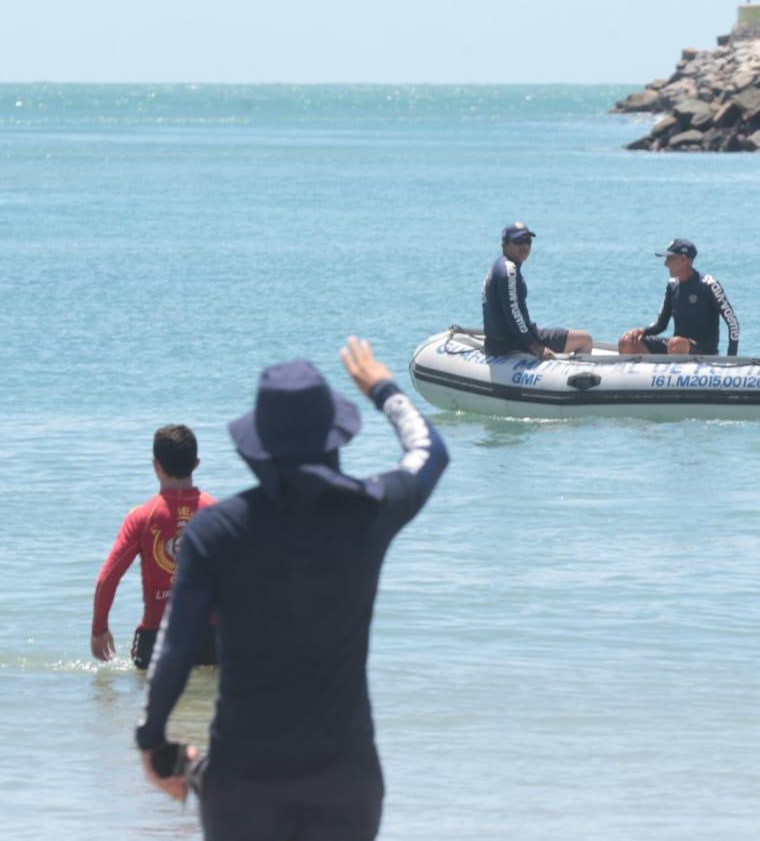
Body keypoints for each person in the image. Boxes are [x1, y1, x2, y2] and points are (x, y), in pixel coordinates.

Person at [135, 339, 450, 841]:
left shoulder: (214, 533)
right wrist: (383, 388)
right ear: (334, 436)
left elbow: (173, 652)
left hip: (244, 784)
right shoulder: (368, 512)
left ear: (258, 447)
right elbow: (430, 452)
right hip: (346, 781)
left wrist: (152, 745)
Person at [91, 425, 219, 670]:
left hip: (157, 639)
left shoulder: (141, 517)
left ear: (155, 465)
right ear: (196, 463)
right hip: (211, 638)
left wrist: (99, 629)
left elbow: (107, 579)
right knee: (205, 705)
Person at [481, 221, 592, 359]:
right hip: (515, 343)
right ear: (504, 244)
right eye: (518, 241)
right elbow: (513, 313)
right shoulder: (509, 271)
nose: (525, 246)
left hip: (497, 343)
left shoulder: (498, 266)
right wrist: (535, 346)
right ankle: (579, 378)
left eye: (528, 241)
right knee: (585, 340)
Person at [618, 238, 741, 356]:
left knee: (676, 344)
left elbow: (733, 324)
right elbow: (661, 324)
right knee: (627, 341)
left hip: (703, 351)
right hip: (676, 347)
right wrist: (642, 331)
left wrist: (731, 359)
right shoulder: (672, 285)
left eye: (670, 259)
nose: (666, 264)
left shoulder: (709, 285)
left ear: (683, 260)